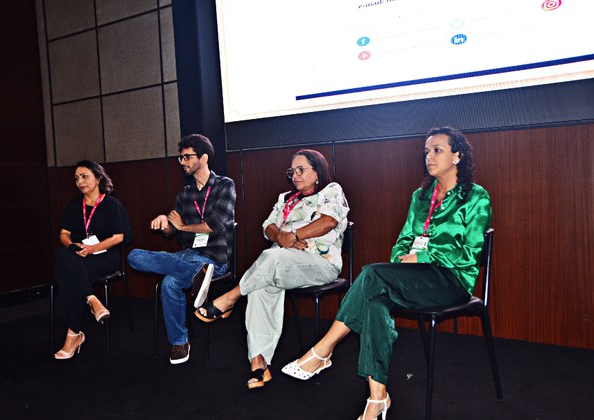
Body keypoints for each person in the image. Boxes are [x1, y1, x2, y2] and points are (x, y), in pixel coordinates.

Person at [282, 127, 492, 420]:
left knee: (371, 275)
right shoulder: (421, 196)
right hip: (414, 277)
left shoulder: (476, 197)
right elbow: (404, 238)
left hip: (451, 280)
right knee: (376, 303)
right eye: (426, 152)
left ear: (458, 155)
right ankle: (377, 398)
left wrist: (425, 255)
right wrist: (403, 258)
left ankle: (323, 349)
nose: (429, 157)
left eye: (437, 150)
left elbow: (470, 253)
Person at [195, 149, 350, 390]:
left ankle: (231, 297)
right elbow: (267, 226)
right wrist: (283, 237)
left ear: (317, 172)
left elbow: (329, 221)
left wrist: (295, 234)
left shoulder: (331, 191)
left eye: (301, 170)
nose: (295, 176)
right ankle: (259, 364)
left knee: (269, 258)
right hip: (283, 260)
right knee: (261, 282)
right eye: (292, 171)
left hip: (320, 263)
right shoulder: (285, 198)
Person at [127, 134, 236, 365]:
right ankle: (196, 276)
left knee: (169, 282)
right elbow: (173, 232)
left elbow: (212, 227)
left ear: (203, 158)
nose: (183, 162)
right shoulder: (184, 194)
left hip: (215, 258)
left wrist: (182, 226)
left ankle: (178, 342)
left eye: (187, 157)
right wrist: (165, 224)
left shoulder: (225, 185)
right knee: (134, 256)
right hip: (188, 256)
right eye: (181, 158)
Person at [53, 160, 133, 360]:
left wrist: (92, 249)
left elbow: (119, 237)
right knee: (65, 255)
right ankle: (91, 299)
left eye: (84, 176)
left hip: (105, 257)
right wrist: (73, 246)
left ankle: (73, 334)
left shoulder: (112, 204)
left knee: (67, 273)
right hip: (78, 256)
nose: (80, 181)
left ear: (98, 178)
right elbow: (63, 234)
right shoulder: (73, 205)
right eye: (76, 178)